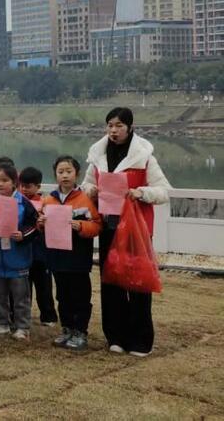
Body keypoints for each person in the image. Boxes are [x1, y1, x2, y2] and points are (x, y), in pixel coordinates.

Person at [81, 107, 171, 357]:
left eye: (119, 125)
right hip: (108, 226)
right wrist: (92, 191)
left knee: (138, 282)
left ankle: (141, 340)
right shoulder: (98, 154)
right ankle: (115, 336)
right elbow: (86, 183)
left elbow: (163, 191)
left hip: (136, 230)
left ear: (130, 127)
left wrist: (141, 192)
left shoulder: (144, 157)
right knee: (112, 281)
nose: (113, 130)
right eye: (110, 125)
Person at [39, 155, 101, 351]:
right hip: (57, 257)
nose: (64, 176)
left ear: (77, 174)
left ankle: (80, 331)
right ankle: (66, 329)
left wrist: (81, 225)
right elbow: (41, 223)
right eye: (60, 172)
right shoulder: (49, 200)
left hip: (78, 258)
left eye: (69, 171)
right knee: (62, 296)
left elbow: (97, 225)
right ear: (55, 175)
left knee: (80, 296)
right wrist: (40, 224)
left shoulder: (85, 199)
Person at [0, 163, 38, 340]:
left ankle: (22, 326)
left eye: (4, 180)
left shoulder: (24, 203)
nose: (0, 184)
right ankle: (2, 324)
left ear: (14, 182)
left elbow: (35, 226)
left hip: (18, 258)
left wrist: (23, 235)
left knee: (20, 296)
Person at [19, 166, 58, 326]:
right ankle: (24, 315)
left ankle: (48, 316)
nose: (24, 189)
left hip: (41, 252)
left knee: (44, 287)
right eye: (22, 185)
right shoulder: (17, 201)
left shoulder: (45, 203)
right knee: (24, 288)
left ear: (38, 186)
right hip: (24, 251)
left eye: (28, 186)